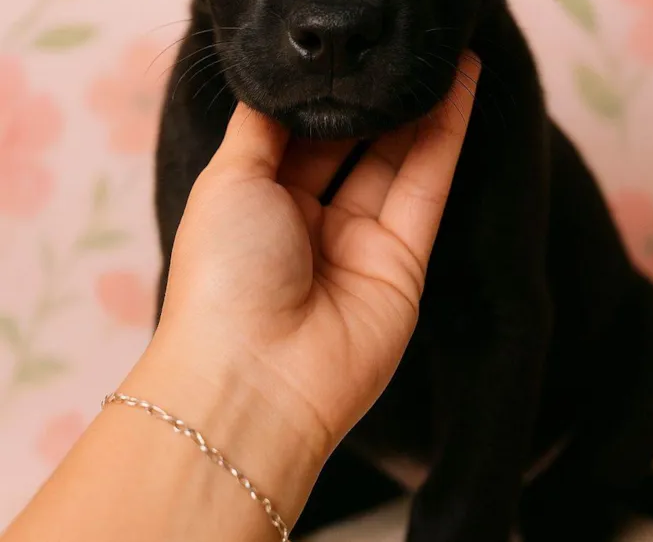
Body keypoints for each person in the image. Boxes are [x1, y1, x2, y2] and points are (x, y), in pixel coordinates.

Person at [3, 54, 480, 542]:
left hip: (533, 444)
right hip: (337, 455)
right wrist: (236, 378)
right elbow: (189, 323)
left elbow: (507, 336)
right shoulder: (204, 99)